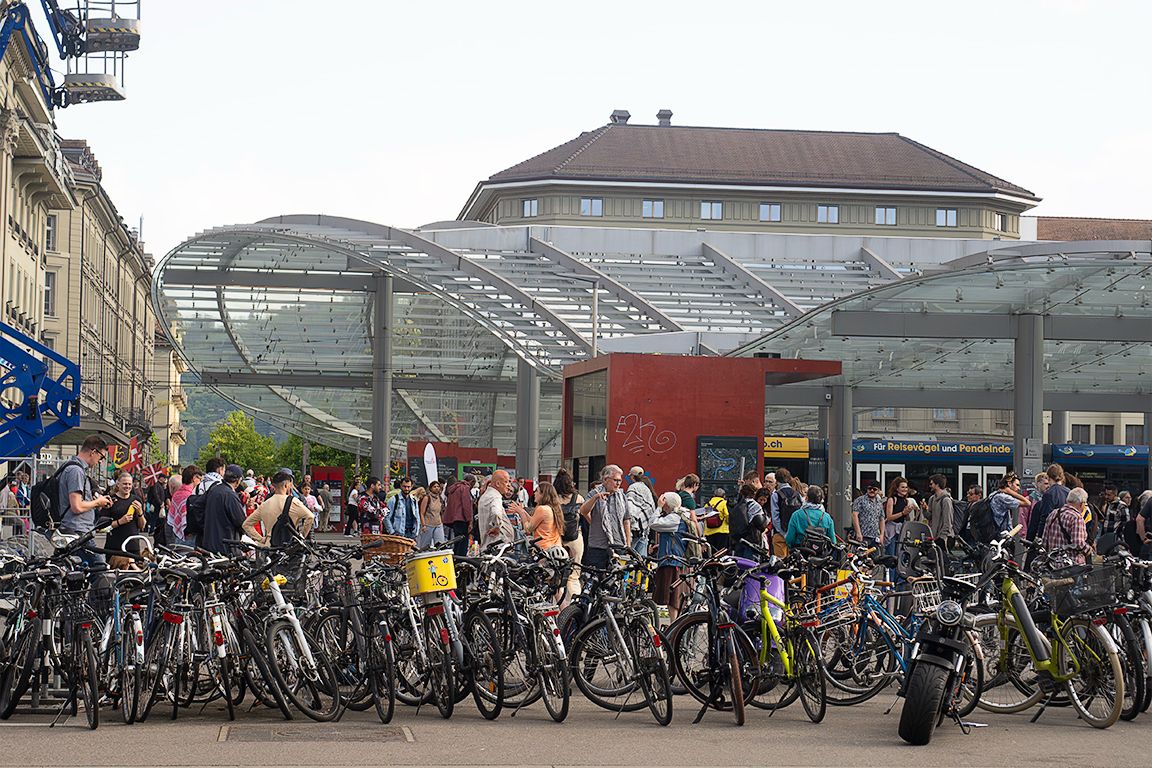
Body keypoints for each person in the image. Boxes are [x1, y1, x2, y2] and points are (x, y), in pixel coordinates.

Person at [57, 436, 114, 566]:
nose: (100, 462)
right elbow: (77, 506)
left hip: (75, 530)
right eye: (101, 457)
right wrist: (98, 503)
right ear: (93, 452)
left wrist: (94, 501)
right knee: (101, 571)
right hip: (78, 533)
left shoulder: (74, 468)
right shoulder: (76, 471)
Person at [649, 491, 695, 621]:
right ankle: (675, 624)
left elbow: (653, 523)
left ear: (667, 505)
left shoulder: (674, 518)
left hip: (672, 562)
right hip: (679, 560)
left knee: (673, 597)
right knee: (676, 596)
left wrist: (657, 507)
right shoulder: (683, 514)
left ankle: (673, 625)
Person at [578, 464, 632, 571]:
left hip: (618, 545)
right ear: (606, 479)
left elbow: (626, 520)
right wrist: (595, 498)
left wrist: (628, 544)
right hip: (598, 545)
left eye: (620, 481)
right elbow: (583, 511)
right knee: (596, 578)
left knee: (617, 579)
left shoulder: (622, 497)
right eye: (615, 480)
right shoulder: (594, 493)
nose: (618, 484)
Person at [243, 470, 315, 546]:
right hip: (288, 547)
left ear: (273, 485)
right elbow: (310, 516)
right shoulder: (293, 502)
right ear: (286, 485)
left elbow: (246, 524)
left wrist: (261, 539)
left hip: (270, 545)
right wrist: (301, 536)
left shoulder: (265, 504)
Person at [103, 470, 147, 569]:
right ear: (118, 484)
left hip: (133, 546)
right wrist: (120, 522)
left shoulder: (136, 500)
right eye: (125, 484)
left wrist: (140, 513)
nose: (127, 486)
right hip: (114, 547)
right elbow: (103, 527)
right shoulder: (111, 500)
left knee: (134, 580)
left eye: (129, 484)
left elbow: (142, 526)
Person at [200, 464, 248, 554]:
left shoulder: (214, 489)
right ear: (238, 481)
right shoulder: (230, 495)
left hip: (209, 542)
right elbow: (241, 522)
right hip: (226, 545)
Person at [553, 469, 584, 601]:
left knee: (558, 573)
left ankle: (559, 602)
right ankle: (574, 601)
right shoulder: (578, 497)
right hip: (575, 537)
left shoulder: (554, 499)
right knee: (574, 574)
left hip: (558, 538)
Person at [1042, 486, 1092, 564]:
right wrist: (1088, 550)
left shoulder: (1053, 513)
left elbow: (1044, 541)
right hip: (1070, 566)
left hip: (1052, 565)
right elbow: (1078, 543)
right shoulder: (1076, 517)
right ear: (1082, 504)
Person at [516, 481, 564, 553]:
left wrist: (521, 513)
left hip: (543, 549)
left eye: (537, 491)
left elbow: (528, 529)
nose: (534, 493)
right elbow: (534, 521)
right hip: (555, 548)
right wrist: (523, 511)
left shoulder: (542, 509)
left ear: (543, 494)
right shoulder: (552, 508)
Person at [785, 485, 837, 551]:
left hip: (800, 552)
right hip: (821, 554)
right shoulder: (827, 517)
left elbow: (789, 539)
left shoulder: (797, 515)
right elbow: (833, 541)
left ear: (807, 498)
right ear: (821, 500)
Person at [1027, 463, 1070, 541]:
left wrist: (1039, 538)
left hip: (1052, 536)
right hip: (1066, 535)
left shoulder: (1049, 494)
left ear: (1048, 477)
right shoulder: (1069, 492)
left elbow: (1045, 518)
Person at [478, 469, 518, 551]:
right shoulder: (495, 497)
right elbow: (496, 512)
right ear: (498, 484)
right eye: (506, 482)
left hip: (489, 546)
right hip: (499, 547)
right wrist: (497, 527)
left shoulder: (485, 496)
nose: (508, 485)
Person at [770, 468, 803, 558]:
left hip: (781, 533)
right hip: (795, 535)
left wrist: (782, 533)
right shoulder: (797, 494)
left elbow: (775, 516)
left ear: (776, 480)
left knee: (781, 564)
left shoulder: (776, 495)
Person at [624, 466, 656, 556]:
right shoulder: (647, 488)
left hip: (635, 529)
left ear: (632, 477)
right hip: (645, 530)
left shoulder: (633, 487)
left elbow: (630, 509)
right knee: (641, 560)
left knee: (630, 558)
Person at [167, 465, 202, 547]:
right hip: (190, 537)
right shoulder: (191, 495)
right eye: (199, 479)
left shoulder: (177, 494)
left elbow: (173, 517)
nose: (200, 482)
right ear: (194, 478)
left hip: (177, 535)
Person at [731, 481, 766, 560]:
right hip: (751, 540)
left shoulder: (736, 505)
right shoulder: (755, 505)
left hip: (738, 540)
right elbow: (760, 523)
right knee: (750, 565)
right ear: (754, 493)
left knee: (739, 564)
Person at [443, 474, 476, 557]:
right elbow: (466, 506)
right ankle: (461, 560)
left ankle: (456, 559)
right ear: (471, 482)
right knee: (463, 542)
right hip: (462, 519)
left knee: (457, 541)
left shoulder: (454, 488)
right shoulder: (465, 488)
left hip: (454, 519)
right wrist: (470, 521)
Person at [883, 477, 914, 561]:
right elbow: (889, 517)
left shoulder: (906, 501)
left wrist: (908, 512)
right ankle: (890, 574)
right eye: (902, 487)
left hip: (902, 529)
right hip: (891, 530)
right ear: (897, 488)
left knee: (901, 555)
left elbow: (906, 518)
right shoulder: (892, 499)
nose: (905, 489)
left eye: (906, 487)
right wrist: (902, 513)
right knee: (891, 556)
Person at [851, 481, 884, 547]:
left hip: (875, 536)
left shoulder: (879, 502)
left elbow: (881, 519)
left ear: (878, 490)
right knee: (861, 555)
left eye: (874, 489)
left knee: (876, 556)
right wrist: (858, 532)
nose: (872, 490)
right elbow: (855, 515)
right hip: (863, 535)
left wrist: (881, 535)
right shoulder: (860, 500)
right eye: (869, 488)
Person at [924, 474, 955, 540]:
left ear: (937, 485)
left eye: (931, 484)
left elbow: (948, 522)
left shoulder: (946, 500)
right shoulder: (932, 499)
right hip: (934, 536)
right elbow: (929, 517)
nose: (930, 486)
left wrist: (942, 537)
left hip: (943, 538)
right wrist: (924, 509)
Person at [417, 480, 446, 548]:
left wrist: (442, 521)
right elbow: (421, 512)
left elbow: (441, 512)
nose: (436, 488)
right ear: (430, 488)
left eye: (438, 486)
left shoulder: (440, 498)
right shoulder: (427, 498)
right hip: (428, 524)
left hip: (438, 524)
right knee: (425, 546)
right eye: (434, 487)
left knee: (440, 545)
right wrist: (423, 525)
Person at [701, 487, 729, 552]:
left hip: (709, 532)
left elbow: (705, 516)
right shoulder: (724, 503)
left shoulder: (708, 504)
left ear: (714, 495)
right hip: (722, 531)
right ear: (724, 496)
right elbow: (727, 515)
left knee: (711, 552)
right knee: (720, 552)